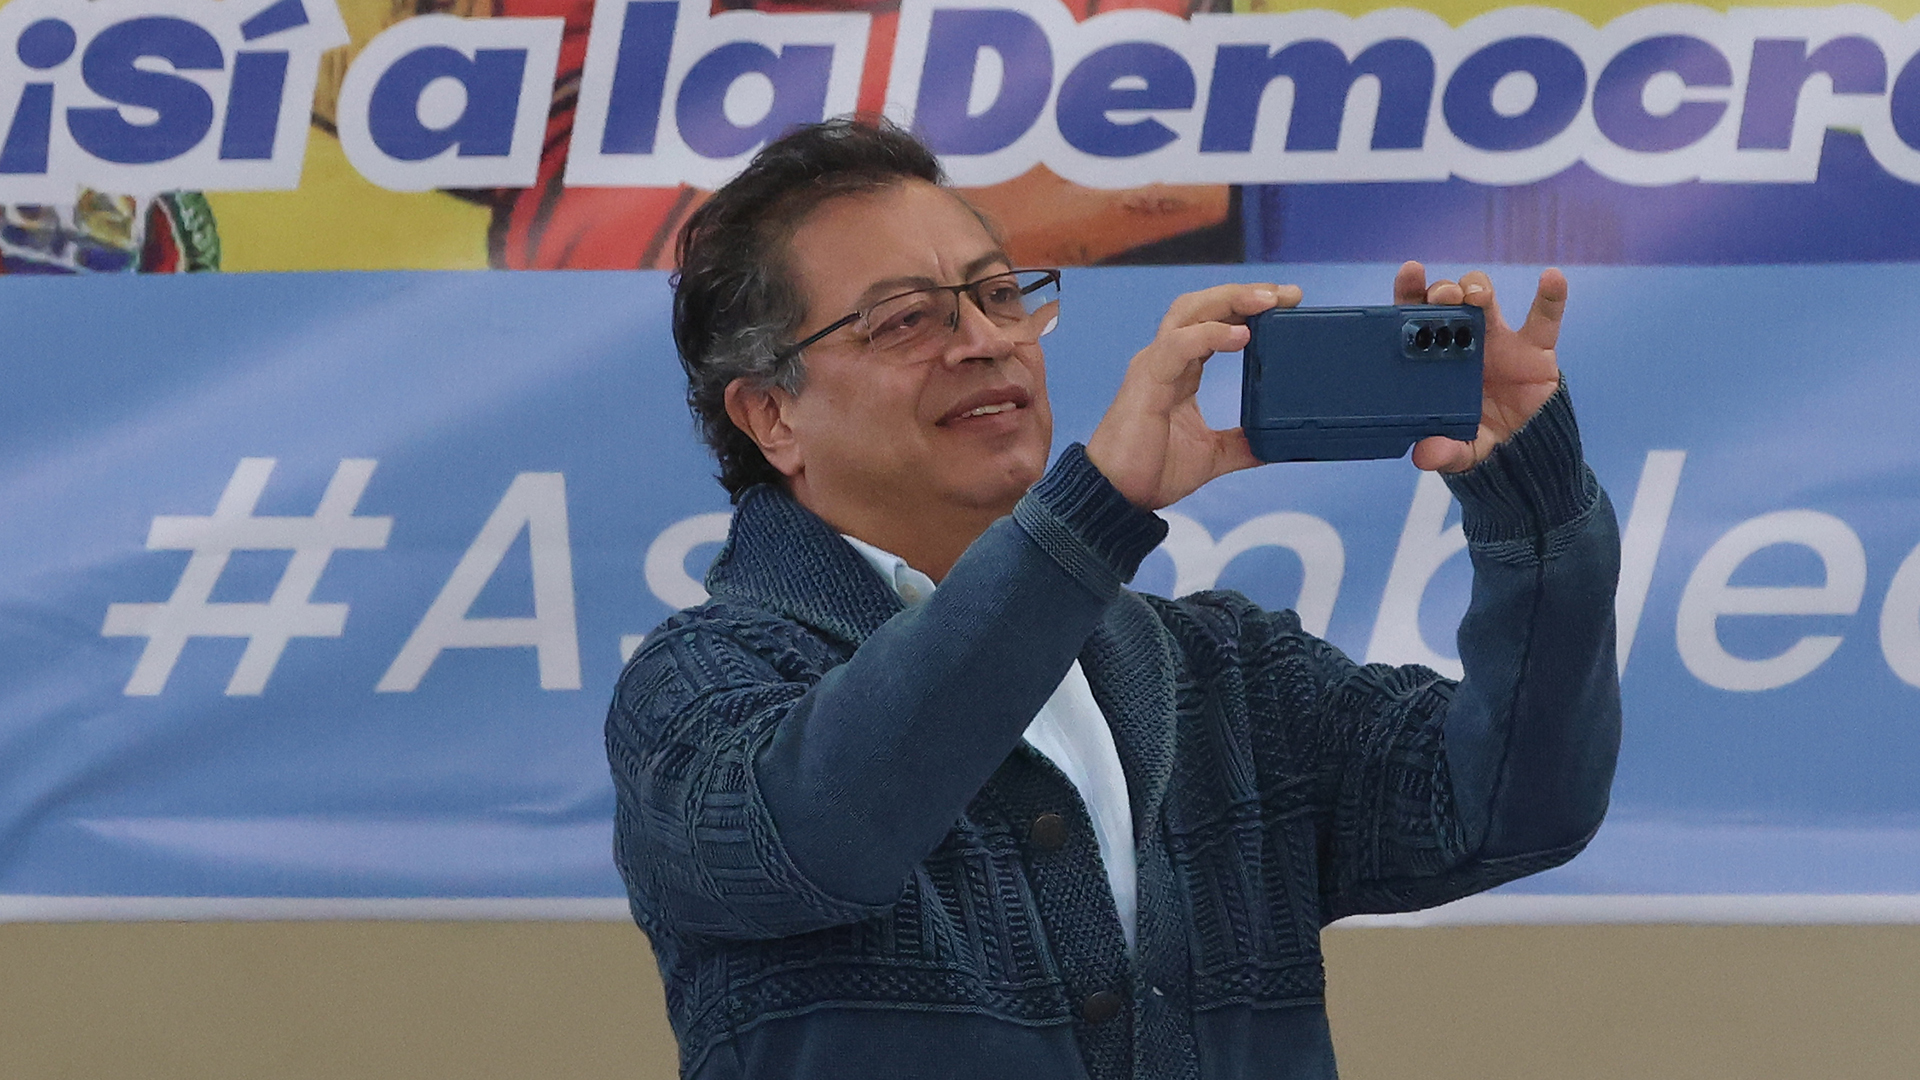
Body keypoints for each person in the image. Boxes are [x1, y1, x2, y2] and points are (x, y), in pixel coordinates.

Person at [606, 117, 1621, 1080]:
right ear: (771, 412)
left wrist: (1530, 503)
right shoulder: (694, 697)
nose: (984, 340)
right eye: (908, 319)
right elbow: (828, 826)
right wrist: (1093, 515)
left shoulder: (1219, 671)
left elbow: (1509, 807)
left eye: (1001, 296)